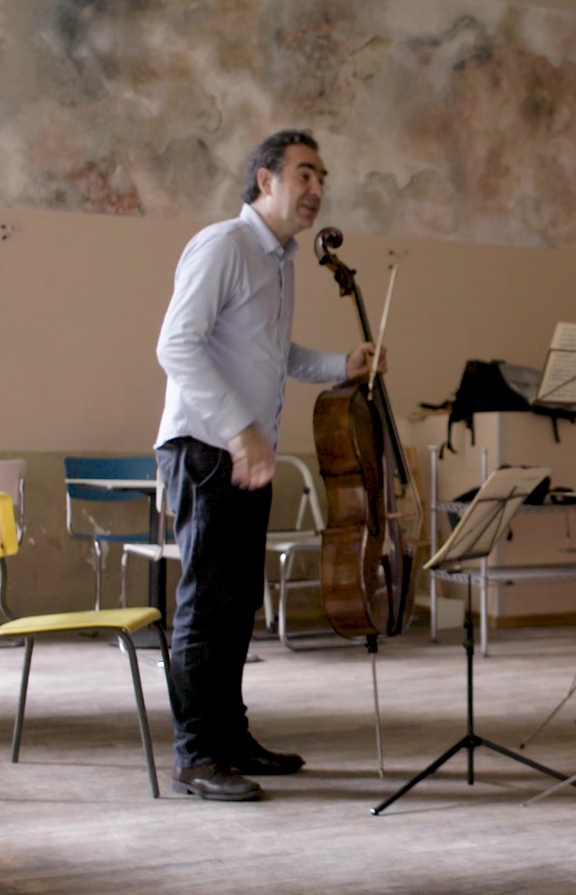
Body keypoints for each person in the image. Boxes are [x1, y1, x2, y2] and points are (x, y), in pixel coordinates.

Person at [154, 129, 383, 801]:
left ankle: (231, 736)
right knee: (205, 604)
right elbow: (176, 346)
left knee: (236, 603)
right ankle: (196, 754)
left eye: (322, 178)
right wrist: (239, 430)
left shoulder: (279, 261)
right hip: (205, 447)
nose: (317, 190)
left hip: (245, 449)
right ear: (265, 181)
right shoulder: (223, 245)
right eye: (305, 175)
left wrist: (343, 365)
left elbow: (272, 353)